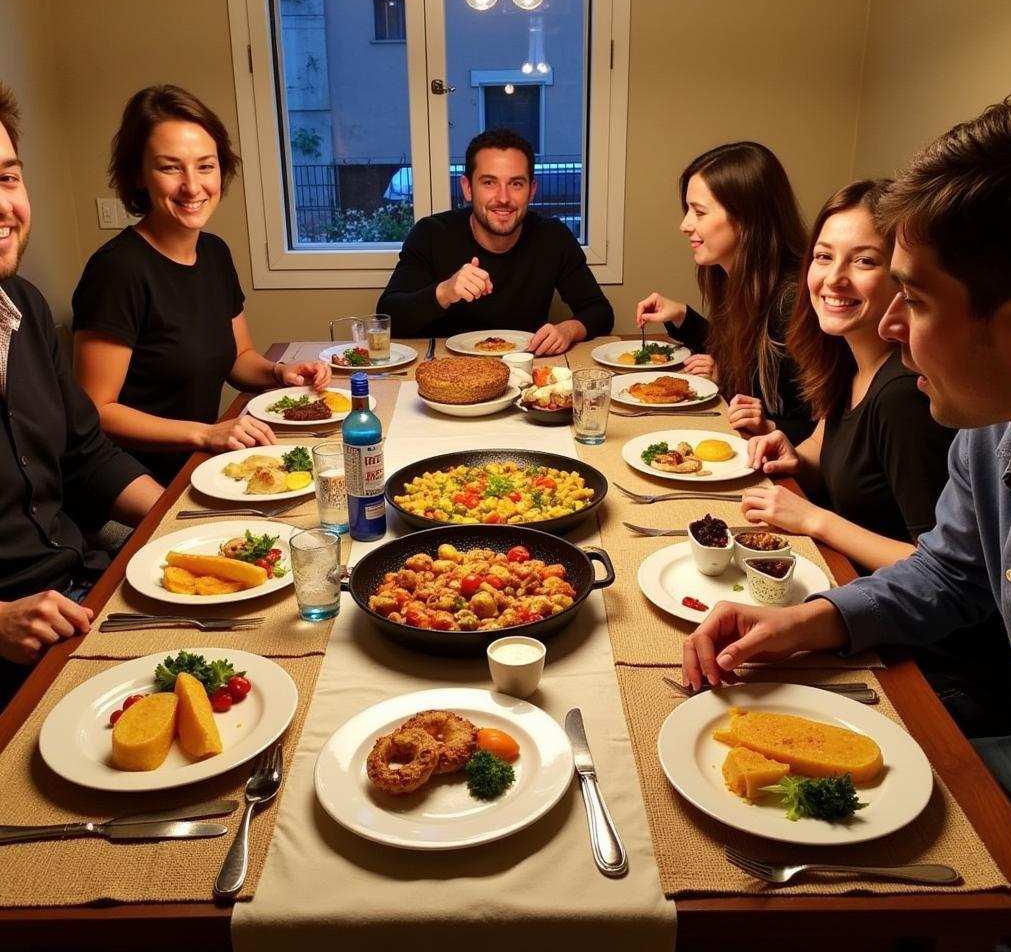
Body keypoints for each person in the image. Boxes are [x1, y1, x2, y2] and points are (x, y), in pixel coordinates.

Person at [681, 94, 1011, 812]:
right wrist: (808, 619)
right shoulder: (991, 430)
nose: (892, 326)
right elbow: (950, 572)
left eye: (918, 301)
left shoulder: (917, 400)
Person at [72, 85, 329, 485]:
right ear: (139, 174)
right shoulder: (116, 270)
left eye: (205, 166)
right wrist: (206, 432)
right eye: (170, 167)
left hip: (203, 463)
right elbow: (96, 410)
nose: (192, 186)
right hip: (130, 480)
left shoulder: (213, 252)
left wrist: (280, 372)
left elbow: (238, 356)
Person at [0, 83, 162, 703]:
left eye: (9, 178)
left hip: (82, 584)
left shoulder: (25, 308)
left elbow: (86, 454)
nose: (4, 205)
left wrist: (175, 523)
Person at [742, 179, 955, 573]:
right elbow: (827, 445)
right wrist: (794, 455)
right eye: (824, 257)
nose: (834, 278)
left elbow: (941, 568)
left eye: (864, 261)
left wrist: (814, 520)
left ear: (902, 278)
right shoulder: (848, 358)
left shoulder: (903, 395)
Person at [636, 141, 814, 443]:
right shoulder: (734, 278)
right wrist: (683, 317)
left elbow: (824, 427)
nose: (685, 224)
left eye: (699, 212)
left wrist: (770, 425)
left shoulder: (791, 303)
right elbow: (742, 350)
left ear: (745, 219)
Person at [376, 128, 613, 355]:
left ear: (532, 190)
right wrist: (445, 292)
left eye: (516, 184)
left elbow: (600, 312)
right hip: (448, 375)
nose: (503, 198)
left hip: (525, 372)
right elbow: (388, 319)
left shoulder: (553, 237)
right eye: (489, 182)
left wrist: (568, 330)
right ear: (468, 188)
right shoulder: (431, 234)